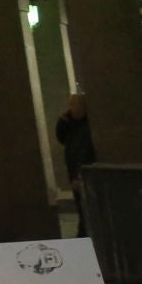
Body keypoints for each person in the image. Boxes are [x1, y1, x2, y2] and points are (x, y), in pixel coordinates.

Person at [56, 94, 95, 238]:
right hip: (76, 173)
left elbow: (85, 152)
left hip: (83, 175)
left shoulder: (87, 128)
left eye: (73, 105)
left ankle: (85, 239)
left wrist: (79, 174)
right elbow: (60, 136)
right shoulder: (72, 126)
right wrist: (63, 120)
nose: (70, 108)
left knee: (87, 211)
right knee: (82, 210)